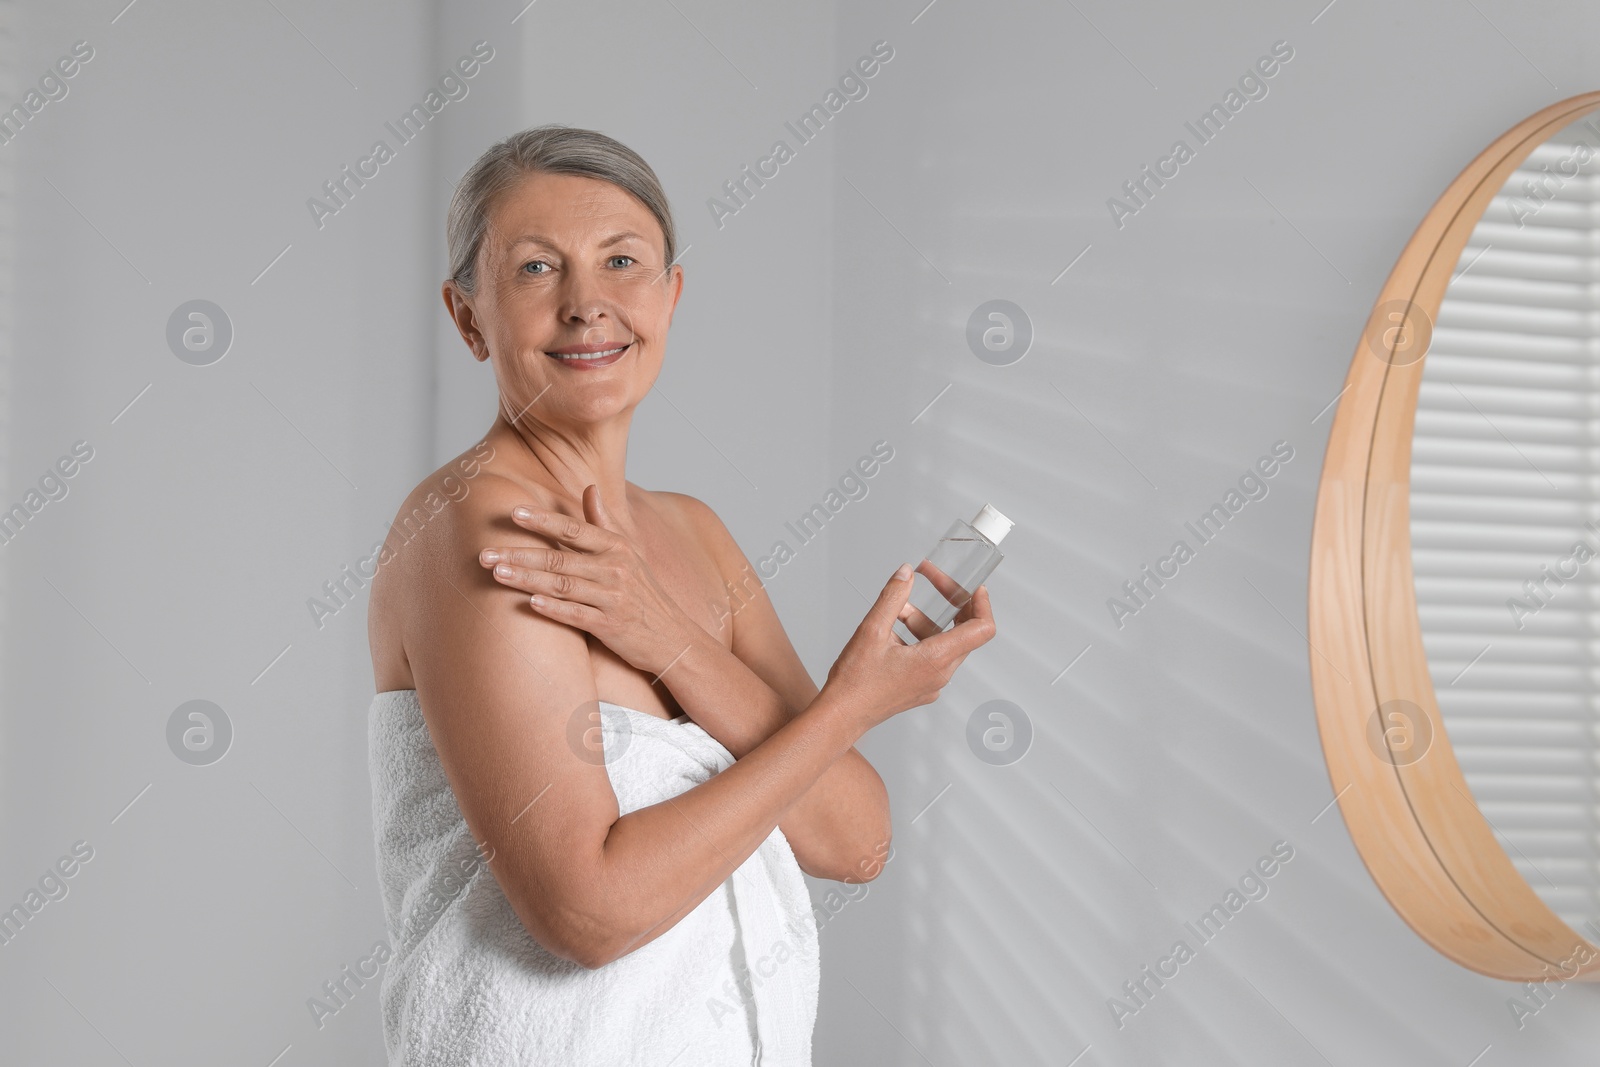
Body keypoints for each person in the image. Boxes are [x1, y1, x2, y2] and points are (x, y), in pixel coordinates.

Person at [365, 124, 995, 1065]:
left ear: (672, 295)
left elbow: (856, 838)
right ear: (469, 317)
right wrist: (851, 707)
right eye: (538, 269)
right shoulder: (482, 528)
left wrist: (668, 638)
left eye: (623, 261)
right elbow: (587, 910)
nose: (589, 306)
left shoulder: (696, 533)